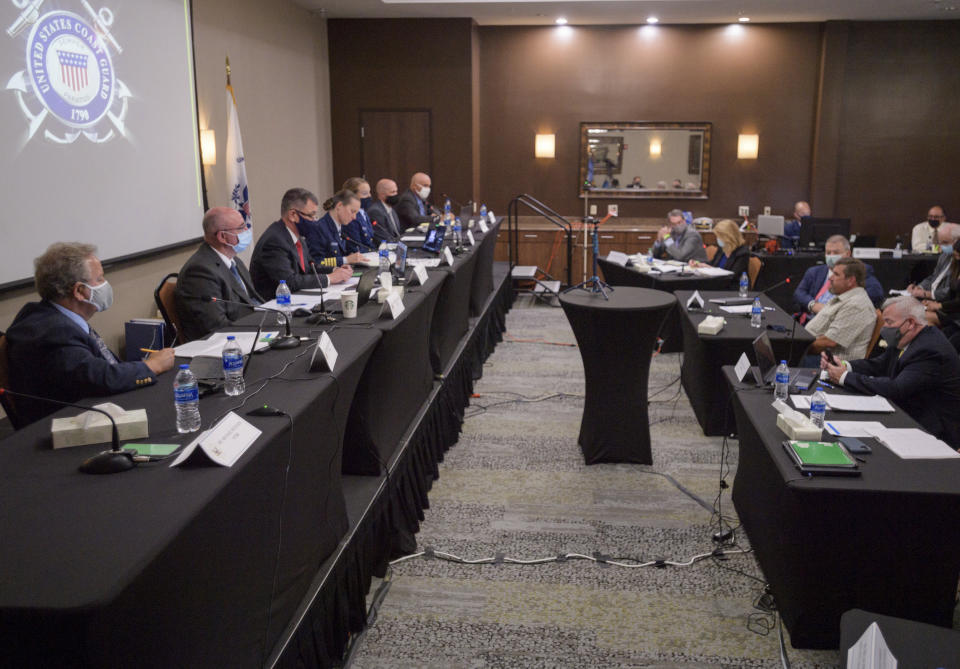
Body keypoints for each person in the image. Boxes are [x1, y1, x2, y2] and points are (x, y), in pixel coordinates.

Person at [4, 242, 176, 425]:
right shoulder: (52, 331)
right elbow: (100, 378)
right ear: (79, 291)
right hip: (70, 425)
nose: (105, 284)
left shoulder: (57, 316)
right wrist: (151, 366)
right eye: (100, 279)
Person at [821, 295, 960, 449]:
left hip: (933, 432)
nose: (884, 328)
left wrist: (844, 377)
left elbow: (896, 388)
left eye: (889, 322)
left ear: (911, 323)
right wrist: (845, 366)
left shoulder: (930, 350)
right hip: (908, 415)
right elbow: (879, 365)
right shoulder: (906, 338)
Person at [175, 207, 264, 342]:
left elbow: (252, 301)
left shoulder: (235, 261)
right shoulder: (199, 272)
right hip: (225, 346)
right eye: (241, 228)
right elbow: (217, 327)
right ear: (222, 236)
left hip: (252, 330)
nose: (247, 231)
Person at [250, 187, 353, 297]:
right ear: (293, 215)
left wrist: (336, 270)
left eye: (315, 215)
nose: (315, 220)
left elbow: (310, 267)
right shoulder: (274, 241)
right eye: (311, 215)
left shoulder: (297, 236)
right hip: (274, 306)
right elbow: (289, 282)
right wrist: (330, 278)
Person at [793, 234, 885, 322]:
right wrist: (813, 305)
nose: (831, 256)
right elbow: (799, 293)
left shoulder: (859, 271)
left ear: (848, 254)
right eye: (828, 252)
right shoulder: (814, 271)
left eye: (836, 252)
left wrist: (841, 307)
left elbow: (876, 293)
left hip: (838, 320)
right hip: (811, 318)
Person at [803, 257, 877, 362]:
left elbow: (829, 341)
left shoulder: (856, 305)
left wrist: (797, 348)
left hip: (827, 362)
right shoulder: (844, 298)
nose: (830, 278)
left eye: (836, 274)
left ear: (851, 280)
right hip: (816, 354)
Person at [298, 190, 366, 269]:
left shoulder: (342, 227)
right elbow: (316, 262)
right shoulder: (318, 228)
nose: (354, 217)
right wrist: (345, 260)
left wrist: (350, 257)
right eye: (352, 211)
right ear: (339, 206)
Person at [906, 223, 958, 305]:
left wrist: (928, 294)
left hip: (945, 304)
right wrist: (919, 287)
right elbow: (934, 277)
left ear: (958, 241)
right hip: (930, 299)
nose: (942, 247)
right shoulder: (944, 255)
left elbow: (954, 290)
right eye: (940, 243)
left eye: (945, 242)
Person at [690, 219, 749, 288]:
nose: (717, 239)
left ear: (729, 237)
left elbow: (732, 276)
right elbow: (713, 264)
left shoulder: (742, 253)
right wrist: (701, 264)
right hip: (717, 284)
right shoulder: (722, 249)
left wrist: (711, 268)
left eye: (719, 237)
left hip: (731, 288)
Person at [340, 177, 377, 254]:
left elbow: (370, 240)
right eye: (365, 193)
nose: (369, 196)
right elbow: (355, 248)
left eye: (369, 192)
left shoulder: (363, 212)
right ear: (352, 196)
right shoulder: (350, 217)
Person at [367, 178, 403, 242]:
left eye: (396, 191)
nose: (396, 194)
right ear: (382, 194)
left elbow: (396, 232)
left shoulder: (391, 208)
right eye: (392, 192)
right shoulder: (376, 212)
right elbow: (383, 237)